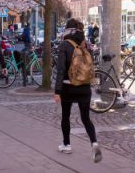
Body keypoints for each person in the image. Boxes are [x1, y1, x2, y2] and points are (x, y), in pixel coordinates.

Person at [54, 18, 101, 163]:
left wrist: (57, 91)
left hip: (69, 87)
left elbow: (61, 69)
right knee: (86, 118)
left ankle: (67, 144)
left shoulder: (64, 45)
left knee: (66, 116)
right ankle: (94, 143)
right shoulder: (85, 45)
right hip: (85, 87)